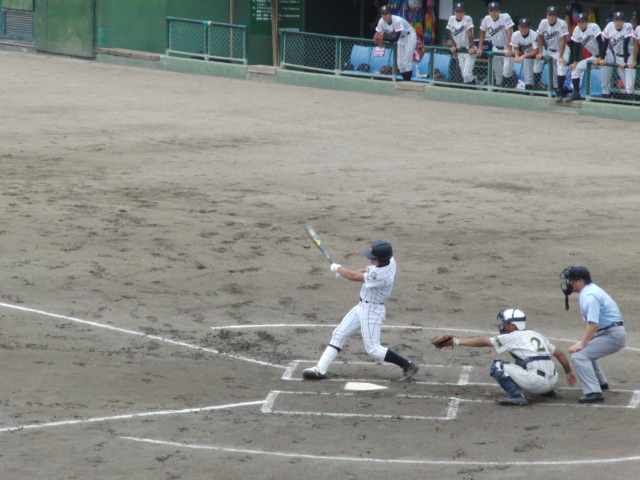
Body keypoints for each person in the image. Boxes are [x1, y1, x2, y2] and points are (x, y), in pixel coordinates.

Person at [303, 240, 419, 382]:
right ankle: (320, 369)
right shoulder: (390, 260)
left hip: (372, 311)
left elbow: (354, 277)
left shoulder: (381, 275)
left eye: (373, 257)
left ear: (382, 259)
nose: (371, 259)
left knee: (373, 349)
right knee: (339, 334)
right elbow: (367, 270)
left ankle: (408, 365)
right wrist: (343, 273)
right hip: (362, 307)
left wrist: (339, 269)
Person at [437, 308, 576, 405]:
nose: (503, 325)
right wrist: (569, 372)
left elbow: (483, 341)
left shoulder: (512, 336)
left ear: (513, 325)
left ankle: (517, 396)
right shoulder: (535, 334)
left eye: (506, 323)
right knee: (522, 360)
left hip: (536, 384)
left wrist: (457, 341)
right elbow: (560, 354)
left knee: (497, 365)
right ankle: (548, 391)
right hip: (553, 380)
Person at [560, 266, 626, 403]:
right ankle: (601, 384)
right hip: (608, 332)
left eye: (570, 280)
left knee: (579, 356)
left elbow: (593, 324)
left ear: (580, 281)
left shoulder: (590, 296)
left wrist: (582, 343)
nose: (568, 283)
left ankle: (593, 392)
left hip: (612, 334)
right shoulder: (588, 291)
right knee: (584, 350)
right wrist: (583, 344)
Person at [477, 1, 517, 88]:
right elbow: (482, 33)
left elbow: (509, 33)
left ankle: (511, 85)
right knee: (498, 74)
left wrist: (510, 49)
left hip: (507, 47)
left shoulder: (505, 17)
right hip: (495, 48)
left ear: (499, 11)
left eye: (495, 10)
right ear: (489, 11)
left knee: (507, 72)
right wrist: (480, 47)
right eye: (491, 11)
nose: (493, 13)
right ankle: (500, 90)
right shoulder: (487, 19)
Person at [534, 6, 570, 101]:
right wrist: (541, 52)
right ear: (547, 15)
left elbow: (563, 40)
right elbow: (540, 37)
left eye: (554, 15)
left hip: (562, 49)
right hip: (550, 50)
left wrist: (561, 56)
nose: (552, 17)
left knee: (561, 65)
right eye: (550, 15)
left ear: (557, 16)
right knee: (554, 73)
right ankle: (559, 89)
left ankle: (559, 91)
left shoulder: (562, 23)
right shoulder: (543, 23)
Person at [569, 13, 606, 101]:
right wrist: (575, 61)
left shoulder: (593, 27)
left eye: (583, 22)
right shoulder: (577, 30)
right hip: (595, 57)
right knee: (575, 69)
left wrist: (601, 57)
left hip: (605, 55)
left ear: (587, 22)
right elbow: (576, 46)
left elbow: (601, 42)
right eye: (579, 22)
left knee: (606, 81)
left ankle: (609, 97)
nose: (581, 24)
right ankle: (576, 93)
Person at [374, 5, 418, 81]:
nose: (385, 16)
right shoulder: (381, 21)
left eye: (386, 14)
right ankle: (405, 81)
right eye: (383, 14)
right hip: (401, 38)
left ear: (391, 14)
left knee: (407, 62)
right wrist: (377, 38)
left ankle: (407, 83)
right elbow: (377, 34)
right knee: (400, 65)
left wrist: (383, 38)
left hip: (409, 36)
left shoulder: (397, 21)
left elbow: (395, 38)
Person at [601, 12, 636, 100]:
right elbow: (605, 43)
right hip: (617, 56)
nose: (618, 22)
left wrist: (625, 61)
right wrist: (602, 58)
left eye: (621, 20)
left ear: (624, 21)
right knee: (625, 81)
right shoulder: (609, 26)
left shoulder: (628, 26)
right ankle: (631, 99)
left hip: (629, 56)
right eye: (616, 20)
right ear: (613, 21)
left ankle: (631, 101)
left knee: (630, 83)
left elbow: (626, 43)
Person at [446, 2, 477, 85]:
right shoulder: (451, 19)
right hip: (460, 50)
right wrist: (454, 45)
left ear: (464, 12)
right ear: (454, 12)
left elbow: (470, 34)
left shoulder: (467, 18)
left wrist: (473, 47)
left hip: (469, 49)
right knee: (464, 75)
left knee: (467, 74)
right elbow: (451, 33)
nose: (459, 13)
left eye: (461, 12)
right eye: (457, 11)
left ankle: (475, 86)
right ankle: (472, 88)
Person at [510, 18, 540, 91]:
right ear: (518, 27)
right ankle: (528, 90)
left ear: (530, 27)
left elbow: (536, 51)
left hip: (537, 53)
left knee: (537, 69)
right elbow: (516, 48)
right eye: (521, 27)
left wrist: (523, 56)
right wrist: (517, 56)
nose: (523, 29)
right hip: (527, 53)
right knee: (528, 73)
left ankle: (536, 86)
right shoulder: (515, 35)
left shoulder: (534, 35)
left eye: (526, 27)